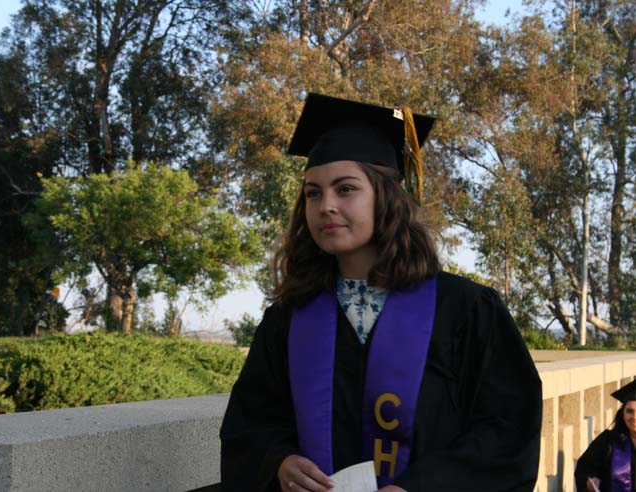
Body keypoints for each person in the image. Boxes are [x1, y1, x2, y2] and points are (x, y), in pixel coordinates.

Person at [220, 92, 542, 491]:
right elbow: (250, 425)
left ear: (386, 198)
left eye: (346, 189)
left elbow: (507, 429)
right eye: (313, 193)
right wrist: (279, 462)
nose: (326, 206)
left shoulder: (466, 309)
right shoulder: (288, 319)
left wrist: (422, 487)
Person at [575, 380, 636, 492]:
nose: (634, 417)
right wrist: (590, 482)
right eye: (630, 411)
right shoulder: (608, 441)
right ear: (622, 414)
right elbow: (584, 468)